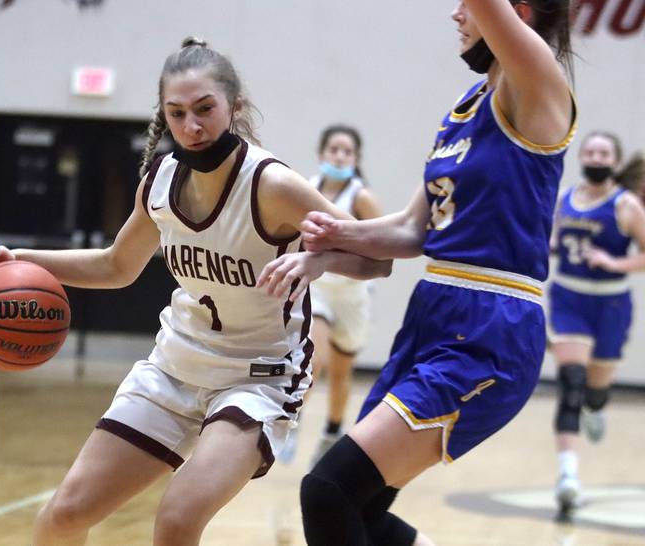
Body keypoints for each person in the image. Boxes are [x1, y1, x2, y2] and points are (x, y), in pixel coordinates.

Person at [0, 38, 390, 546]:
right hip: (175, 368)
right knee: (62, 515)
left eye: (204, 110)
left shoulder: (272, 185)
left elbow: (378, 256)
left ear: (234, 108)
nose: (191, 127)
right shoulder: (160, 181)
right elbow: (116, 265)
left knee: (176, 521)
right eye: (176, 114)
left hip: (258, 378)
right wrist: (17, 260)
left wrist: (318, 258)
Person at [259, 1, 576, 544]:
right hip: (433, 313)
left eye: (468, 7)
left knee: (328, 489)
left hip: (490, 324)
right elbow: (414, 229)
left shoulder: (538, 80)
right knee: (360, 508)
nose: (457, 15)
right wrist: (330, 241)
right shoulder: (466, 106)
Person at [549, 131, 645, 520]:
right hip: (568, 297)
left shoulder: (626, 206)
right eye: (590, 150)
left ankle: (596, 405)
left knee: (593, 391)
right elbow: (551, 241)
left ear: (614, 160)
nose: (596, 156)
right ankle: (568, 477)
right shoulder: (563, 200)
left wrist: (613, 262)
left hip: (610, 303)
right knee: (571, 382)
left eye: (604, 152)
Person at [279, 125, 382, 467]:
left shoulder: (361, 197)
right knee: (313, 358)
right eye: (334, 149)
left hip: (353, 295)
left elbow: (384, 244)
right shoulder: (307, 189)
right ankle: (292, 422)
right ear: (322, 154)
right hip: (318, 288)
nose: (339, 156)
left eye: (347, 151)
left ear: (355, 160)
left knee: (341, 374)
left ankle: (332, 433)